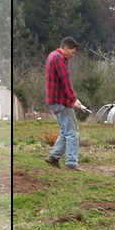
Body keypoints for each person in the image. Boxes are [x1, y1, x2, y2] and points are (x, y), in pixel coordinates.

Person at [44, 37, 85, 171]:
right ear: (66, 48)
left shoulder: (52, 56)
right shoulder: (59, 59)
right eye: (73, 52)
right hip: (61, 101)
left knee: (64, 131)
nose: (73, 55)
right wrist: (74, 99)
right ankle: (72, 163)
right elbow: (66, 82)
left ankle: (54, 157)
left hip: (53, 100)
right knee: (73, 132)